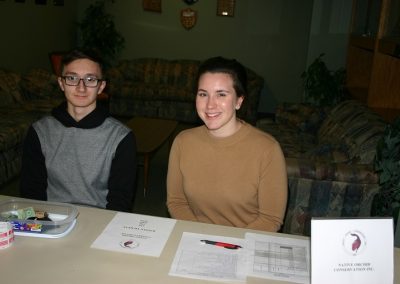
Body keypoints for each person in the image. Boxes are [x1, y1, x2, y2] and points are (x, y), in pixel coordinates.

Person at [166, 56, 287, 232]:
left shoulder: (268, 149)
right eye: (203, 94)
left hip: (245, 243)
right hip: (195, 238)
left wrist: (227, 244)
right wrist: (199, 236)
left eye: (221, 94)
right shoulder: (182, 142)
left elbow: (270, 219)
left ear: (239, 101)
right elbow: (176, 202)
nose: (210, 105)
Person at [20, 48, 137, 212]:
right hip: (50, 219)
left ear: (101, 86)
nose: (81, 88)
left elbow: (120, 201)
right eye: (72, 78)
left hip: (100, 221)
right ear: (61, 83)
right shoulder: (40, 132)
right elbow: (31, 193)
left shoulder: (121, 137)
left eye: (90, 79)